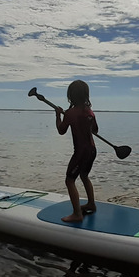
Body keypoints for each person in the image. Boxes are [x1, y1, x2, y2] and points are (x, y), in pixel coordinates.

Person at [55, 80, 98, 222]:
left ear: (71, 95)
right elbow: (95, 130)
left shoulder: (70, 113)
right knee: (84, 176)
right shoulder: (90, 112)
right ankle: (91, 203)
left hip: (81, 152)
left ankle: (77, 214)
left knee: (69, 180)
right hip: (92, 150)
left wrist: (58, 116)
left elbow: (61, 130)